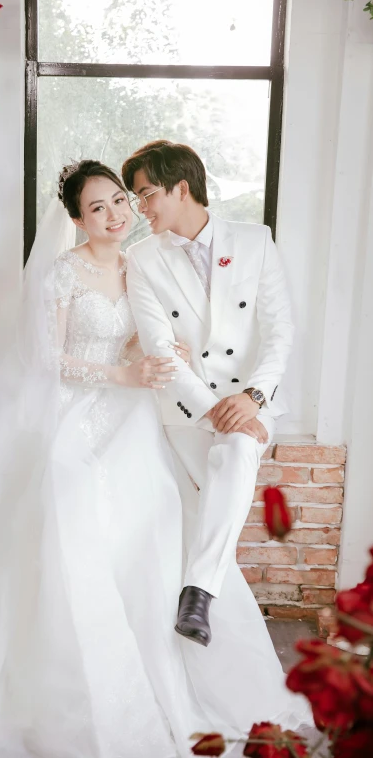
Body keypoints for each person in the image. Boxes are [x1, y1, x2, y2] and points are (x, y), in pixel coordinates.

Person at [0, 160, 310, 758]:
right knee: (67, 511)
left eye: (122, 201)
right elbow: (46, 360)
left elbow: (167, 335)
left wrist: (167, 358)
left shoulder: (147, 263)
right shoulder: (63, 274)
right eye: (99, 208)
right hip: (75, 406)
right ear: (76, 219)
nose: (118, 214)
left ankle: (187, 624)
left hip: (137, 415)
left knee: (154, 521)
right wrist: (121, 372)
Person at [123, 140, 295, 647]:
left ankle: (196, 594)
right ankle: (200, 604)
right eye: (135, 198)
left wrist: (254, 399)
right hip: (186, 409)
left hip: (251, 402)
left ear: (182, 187)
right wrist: (217, 409)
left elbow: (280, 331)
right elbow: (160, 349)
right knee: (213, 496)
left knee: (239, 450)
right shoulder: (142, 258)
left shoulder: (254, 240)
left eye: (146, 193)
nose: (140, 208)